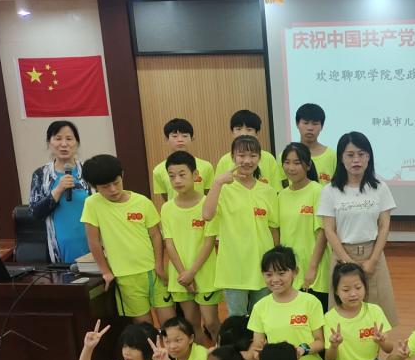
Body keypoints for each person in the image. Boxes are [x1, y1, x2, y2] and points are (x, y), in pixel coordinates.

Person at [81, 154, 173, 324]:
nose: (113, 190)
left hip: (154, 272)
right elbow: (93, 241)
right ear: (94, 186)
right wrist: (105, 271)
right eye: (105, 187)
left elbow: (156, 236)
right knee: (144, 327)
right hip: (125, 276)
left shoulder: (142, 202)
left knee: (170, 323)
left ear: (122, 175)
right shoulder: (92, 204)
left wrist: (159, 265)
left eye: (116, 183)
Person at [318, 131, 398, 325]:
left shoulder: (380, 188)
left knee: (376, 313)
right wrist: (348, 261)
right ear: (341, 158)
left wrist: (373, 260)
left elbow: (384, 226)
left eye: (361, 154)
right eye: (350, 155)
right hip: (342, 256)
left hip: (373, 254)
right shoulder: (330, 191)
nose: (356, 160)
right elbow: (329, 230)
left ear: (368, 157)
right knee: (343, 312)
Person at [202, 135, 279, 317]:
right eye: (242, 155)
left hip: (263, 267)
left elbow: (273, 229)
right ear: (233, 157)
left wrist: (275, 262)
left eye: (253, 155)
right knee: (237, 321)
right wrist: (218, 182)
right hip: (234, 268)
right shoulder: (223, 189)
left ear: (259, 158)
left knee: (261, 319)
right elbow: (207, 215)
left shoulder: (268, 191)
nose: (247, 161)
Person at [160, 151, 221, 343]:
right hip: (180, 276)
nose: (177, 180)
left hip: (205, 273)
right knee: (192, 323)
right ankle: (201, 358)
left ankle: (222, 355)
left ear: (195, 175)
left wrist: (192, 272)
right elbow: (169, 243)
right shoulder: (167, 208)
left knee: (211, 322)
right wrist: (184, 275)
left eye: (182, 174)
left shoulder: (208, 205)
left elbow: (209, 242)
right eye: (172, 176)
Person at [323, 263, 395, 360]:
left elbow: (389, 349)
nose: (353, 294)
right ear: (336, 291)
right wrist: (334, 346)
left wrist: (382, 341)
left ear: (365, 287)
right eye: (346, 289)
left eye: (358, 287)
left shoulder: (374, 311)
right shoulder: (329, 318)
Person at [247, 246, 326, 360]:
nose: (275, 279)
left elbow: (320, 342)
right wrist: (256, 355)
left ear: (295, 272)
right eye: (269, 274)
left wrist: (301, 350)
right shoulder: (260, 307)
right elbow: (258, 346)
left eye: (281, 273)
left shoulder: (311, 302)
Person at [28, 120, 91, 263]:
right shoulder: (41, 175)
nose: (64, 144)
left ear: (77, 143)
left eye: (69, 139)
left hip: (90, 242)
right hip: (58, 247)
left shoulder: (88, 171)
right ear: (49, 142)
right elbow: (35, 213)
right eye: (58, 138)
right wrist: (58, 190)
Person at [278, 142, 331, 310]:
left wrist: (312, 268)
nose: (291, 168)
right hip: (290, 271)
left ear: (308, 165)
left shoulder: (318, 191)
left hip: (315, 271)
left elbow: (323, 233)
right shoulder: (281, 196)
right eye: (287, 162)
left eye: (297, 163)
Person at [215, 108, 284, 190]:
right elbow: (217, 189)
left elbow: (276, 189)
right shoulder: (224, 160)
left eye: (249, 129)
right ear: (232, 132)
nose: (243, 133)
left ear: (256, 133)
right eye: (238, 129)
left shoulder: (269, 158)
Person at [151, 118, 214, 202]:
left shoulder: (206, 166)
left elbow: (208, 195)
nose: (180, 140)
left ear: (192, 138)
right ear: (166, 139)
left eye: (185, 136)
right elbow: (167, 197)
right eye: (174, 136)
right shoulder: (158, 170)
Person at [295, 103, 337, 184]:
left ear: (322, 126)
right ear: (297, 124)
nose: (310, 128)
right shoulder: (286, 156)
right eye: (306, 123)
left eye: (315, 124)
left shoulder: (332, 156)